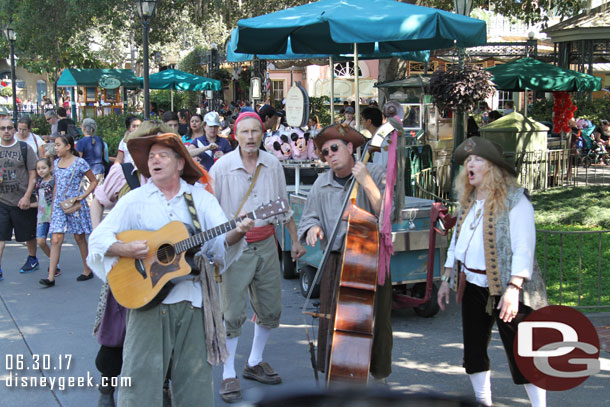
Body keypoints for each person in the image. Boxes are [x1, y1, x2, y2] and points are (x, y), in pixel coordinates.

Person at [87, 131, 253, 407]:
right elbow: (98, 239)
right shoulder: (135, 199)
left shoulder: (200, 199)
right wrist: (125, 249)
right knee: (140, 379)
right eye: (151, 156)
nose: (155, 160)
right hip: (147, 303)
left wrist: (237, 232)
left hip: (192, 302)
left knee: (194, 382)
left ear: (179, 164)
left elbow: (219, 246)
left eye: (163, 155)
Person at [437, 137, 548, 407]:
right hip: (474, 284)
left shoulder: (515, 201)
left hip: (510, 289)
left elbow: (524, 248)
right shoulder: (469, 200)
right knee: (474, 351)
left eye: (477, 160)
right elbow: (457, 241)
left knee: (524, 353)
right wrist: (446, 277)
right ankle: (483, 402)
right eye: (467, 162)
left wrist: (513, 289)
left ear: (494, 167)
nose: (470, 166)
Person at [210, 112, 305, 403]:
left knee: (270, 307)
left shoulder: (272, 163)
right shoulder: (221, 168)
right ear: (235, 135)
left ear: (262, 134)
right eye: (245, 132)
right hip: (233, 247)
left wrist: (294, 240)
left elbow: (283, 204)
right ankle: (228, 373)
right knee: (232, 313)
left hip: (266, 243)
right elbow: (210, 212)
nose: (251, 137)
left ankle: (254, 361)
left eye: (255, 132)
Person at [297, 123, 392, 383]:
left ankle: (378, 378)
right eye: (325, 152)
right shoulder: (321, 183)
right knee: (332, 324)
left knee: (374, 324)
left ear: (350, 147)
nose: (330, 155)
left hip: (369, 261)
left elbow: (387, 216)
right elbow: (307, 219)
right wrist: (313, 228)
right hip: (336, 260)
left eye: (335, 148)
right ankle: (336, 378)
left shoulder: (375, 171)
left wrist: (367, 183)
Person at [39, 134, 97, 287]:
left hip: (74, 204)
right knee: (56, 238)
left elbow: (93, 181)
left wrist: (83, 196)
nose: (55, 148)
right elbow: (57, 185)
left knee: (79, 238)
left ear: (68, 146)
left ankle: (87, 269)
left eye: (58, 145)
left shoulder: (80, 163)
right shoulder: (56, 163)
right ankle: (51, 276)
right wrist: (52, 206)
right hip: (59, 205)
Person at [0, 118, 38, 280]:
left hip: (22, 200)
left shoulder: (24, 148)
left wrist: (27, 196)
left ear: (14, 130)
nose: (6, 131)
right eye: (2, 128)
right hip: (2, 201)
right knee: (1, 237)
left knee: (27, 235)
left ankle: (32, 258)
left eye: (9, 128)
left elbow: (33, 174)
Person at [31, 158, 60, 277]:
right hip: (42, 216)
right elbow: (40, 201)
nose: (41, 171)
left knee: (54, 242)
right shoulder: (38, 183)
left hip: (53, 215)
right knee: (41, 241)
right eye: (38, 169)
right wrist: (28, 205)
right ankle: (54, 261)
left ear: (50, 168)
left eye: (44, 168)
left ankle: (54, 267)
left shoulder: (54, 181)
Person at [76, 118, 105, 202]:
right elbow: (103, 155)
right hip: (99, 170)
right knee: (98, 197)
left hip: (87, 171)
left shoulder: (81, 142)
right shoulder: (99, 139)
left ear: (84, 129)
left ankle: (90, 215)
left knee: (87, 197)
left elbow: (79, 159)